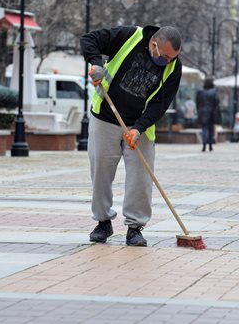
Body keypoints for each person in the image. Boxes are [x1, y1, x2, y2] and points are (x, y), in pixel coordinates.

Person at [80, 25, 182, 246]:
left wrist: (139, 128)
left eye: (172, 58)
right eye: (164, 56)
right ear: (153, 43)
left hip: (140, 125)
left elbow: (160, 104)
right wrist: (96, 64)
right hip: (106, 116)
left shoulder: (174, 68)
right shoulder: (129, 37)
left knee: (141, 178)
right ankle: (103, 221)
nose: (167, 61)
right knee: (101, 171)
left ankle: (135, 227)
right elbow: (90, 39)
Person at [196, 77, 221, 152]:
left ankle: (204, 145)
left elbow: (197, 102)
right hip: (212, 113)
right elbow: (217, 102)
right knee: (211, 129)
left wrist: (199, 110)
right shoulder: (214, 92)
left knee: (204, 129)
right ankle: (210, 145)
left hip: (202, 113)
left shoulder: (200, 92)